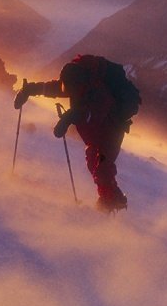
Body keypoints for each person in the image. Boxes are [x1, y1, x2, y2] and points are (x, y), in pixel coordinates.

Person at [14, 54, 141, 211]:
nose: (68, 91)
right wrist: (30, 89)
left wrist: (70, 117)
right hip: (95, 133)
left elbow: (95, 114)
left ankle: (110, 203)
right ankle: (111, 201)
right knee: (94, 165)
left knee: (102, 168)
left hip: (111, 131)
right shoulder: (77, 83)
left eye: (70, 88)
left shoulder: (98, 92)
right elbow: (57, 88)